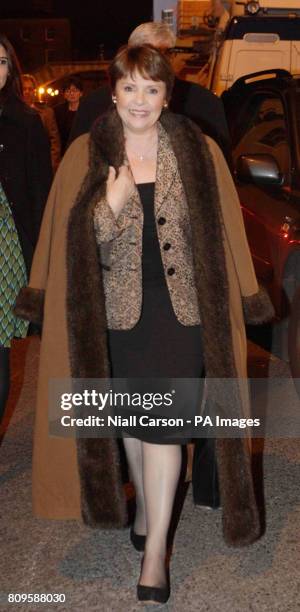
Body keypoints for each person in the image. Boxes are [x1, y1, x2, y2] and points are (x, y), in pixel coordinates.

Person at [15, 45, 274, 604]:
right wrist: (108, 208)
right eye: (130, 88)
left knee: (165, 428)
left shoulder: (196, 149)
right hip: (114, 315)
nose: (140, 100)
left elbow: (224, 231)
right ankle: (146, 516)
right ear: (113, 93)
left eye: (151, 89)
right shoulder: (88, 152)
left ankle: (156, 550)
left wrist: (246, 298)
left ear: (167, 95)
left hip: (180, 316)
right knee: (133, 422)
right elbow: (73, 247)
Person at [69, 22, 230, 160]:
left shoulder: (206, 103)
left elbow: (220, 172)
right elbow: (75, 168)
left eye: (164, 53)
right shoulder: (92, 105)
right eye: (147, 54)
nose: (155, 62)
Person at [0, 35, 52, 423]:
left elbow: (40, 195)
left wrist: (42, 264)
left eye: (1, 62)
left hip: (6, 247)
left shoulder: (26, 121)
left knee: (0, 350)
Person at [22, 73, 61, 172]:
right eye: (24, 89)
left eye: (30, 89)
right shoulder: (11, 112)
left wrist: (52, 164)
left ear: (34, 91)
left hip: (40, 165)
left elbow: (54, 141)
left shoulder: (47, 113)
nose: (27, 92)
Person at [54, 76, 83, 154]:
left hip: (82, 149)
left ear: (81, 93)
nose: (71, 94)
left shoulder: (86, 109)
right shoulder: (58, 111)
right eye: (68, 91)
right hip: (65, 150)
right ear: (64, 94)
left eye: (75, 90)